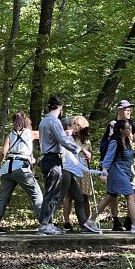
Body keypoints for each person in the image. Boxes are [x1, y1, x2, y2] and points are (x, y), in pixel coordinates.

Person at [0, 112, 43, 234]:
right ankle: (45, 224)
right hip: (21, 168)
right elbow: (48, 134)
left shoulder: (10, 135)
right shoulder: (31, 133)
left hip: (7, 169)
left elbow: (3, 152)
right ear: (26, 122)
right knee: (36, 195)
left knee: (3, 199)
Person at [37, 95, 82, 235]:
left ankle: (47, 223)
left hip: (47, 158)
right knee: (53, 192)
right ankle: (45, 225)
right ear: (60, 107)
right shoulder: (54, 121)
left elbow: (56, 137)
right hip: (52, 160)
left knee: (51, 192)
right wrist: (79, 149)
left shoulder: (44, 121)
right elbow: (62, 140)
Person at [98, 118, 135, 233]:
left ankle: (90, 221)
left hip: (125, 172)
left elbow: (127, 156)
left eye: (130, 127)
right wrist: (104, 172)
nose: (130, 129)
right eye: (127, 128)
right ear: (121, 130)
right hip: (117, 171)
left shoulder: (126, 141)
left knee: (109, 196)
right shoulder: (114, 142)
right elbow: (108, 157)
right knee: (130, 195)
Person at [60, 116, 100, 233]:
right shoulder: (68, 137)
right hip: (70, 169)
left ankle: (85, 222)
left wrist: (88, 155)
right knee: (68, 196)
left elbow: (90, 155)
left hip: (83, 170)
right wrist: (82, 150)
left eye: (78, 125)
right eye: (74, 124)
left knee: (83, 196)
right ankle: (66, 222)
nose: (75, 127)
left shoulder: (86, 141)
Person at [100, 100, 135, 229]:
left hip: (127, 166)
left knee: (117, 193)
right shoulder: (113, 126)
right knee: (117, 195)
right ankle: (120, 221)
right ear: (119, 110)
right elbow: (110, 151)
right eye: (126, 109)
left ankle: (130, 220)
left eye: (129, 109)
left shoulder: (131, 125)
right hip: (116, 166)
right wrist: (105, 170)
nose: (128, 112)